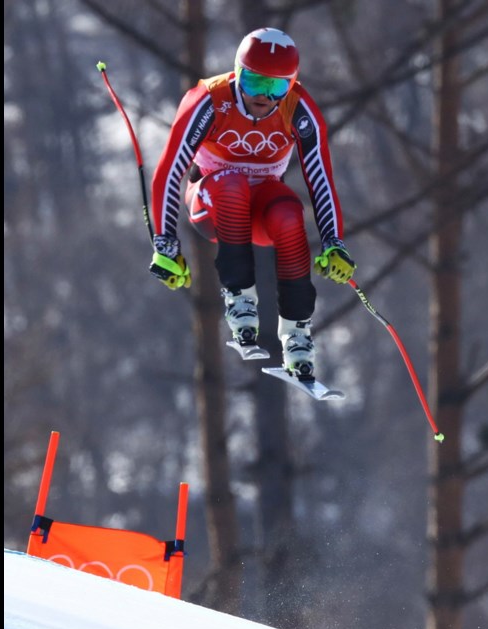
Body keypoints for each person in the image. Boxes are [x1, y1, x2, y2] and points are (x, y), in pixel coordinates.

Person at [148, 27, 357, 380]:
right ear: (237, 73)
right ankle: (240, 299)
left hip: (259, 210)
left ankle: (296, 334)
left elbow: (320, 177)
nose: (263, 96)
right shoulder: (209, 100)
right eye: (254, 83)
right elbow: (168, 172)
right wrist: (166, 243)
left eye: (276, 87)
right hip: (211, 203)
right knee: (232, 185)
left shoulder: (298, 107)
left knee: (290, 213)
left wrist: (334, 243)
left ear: (291, 84)